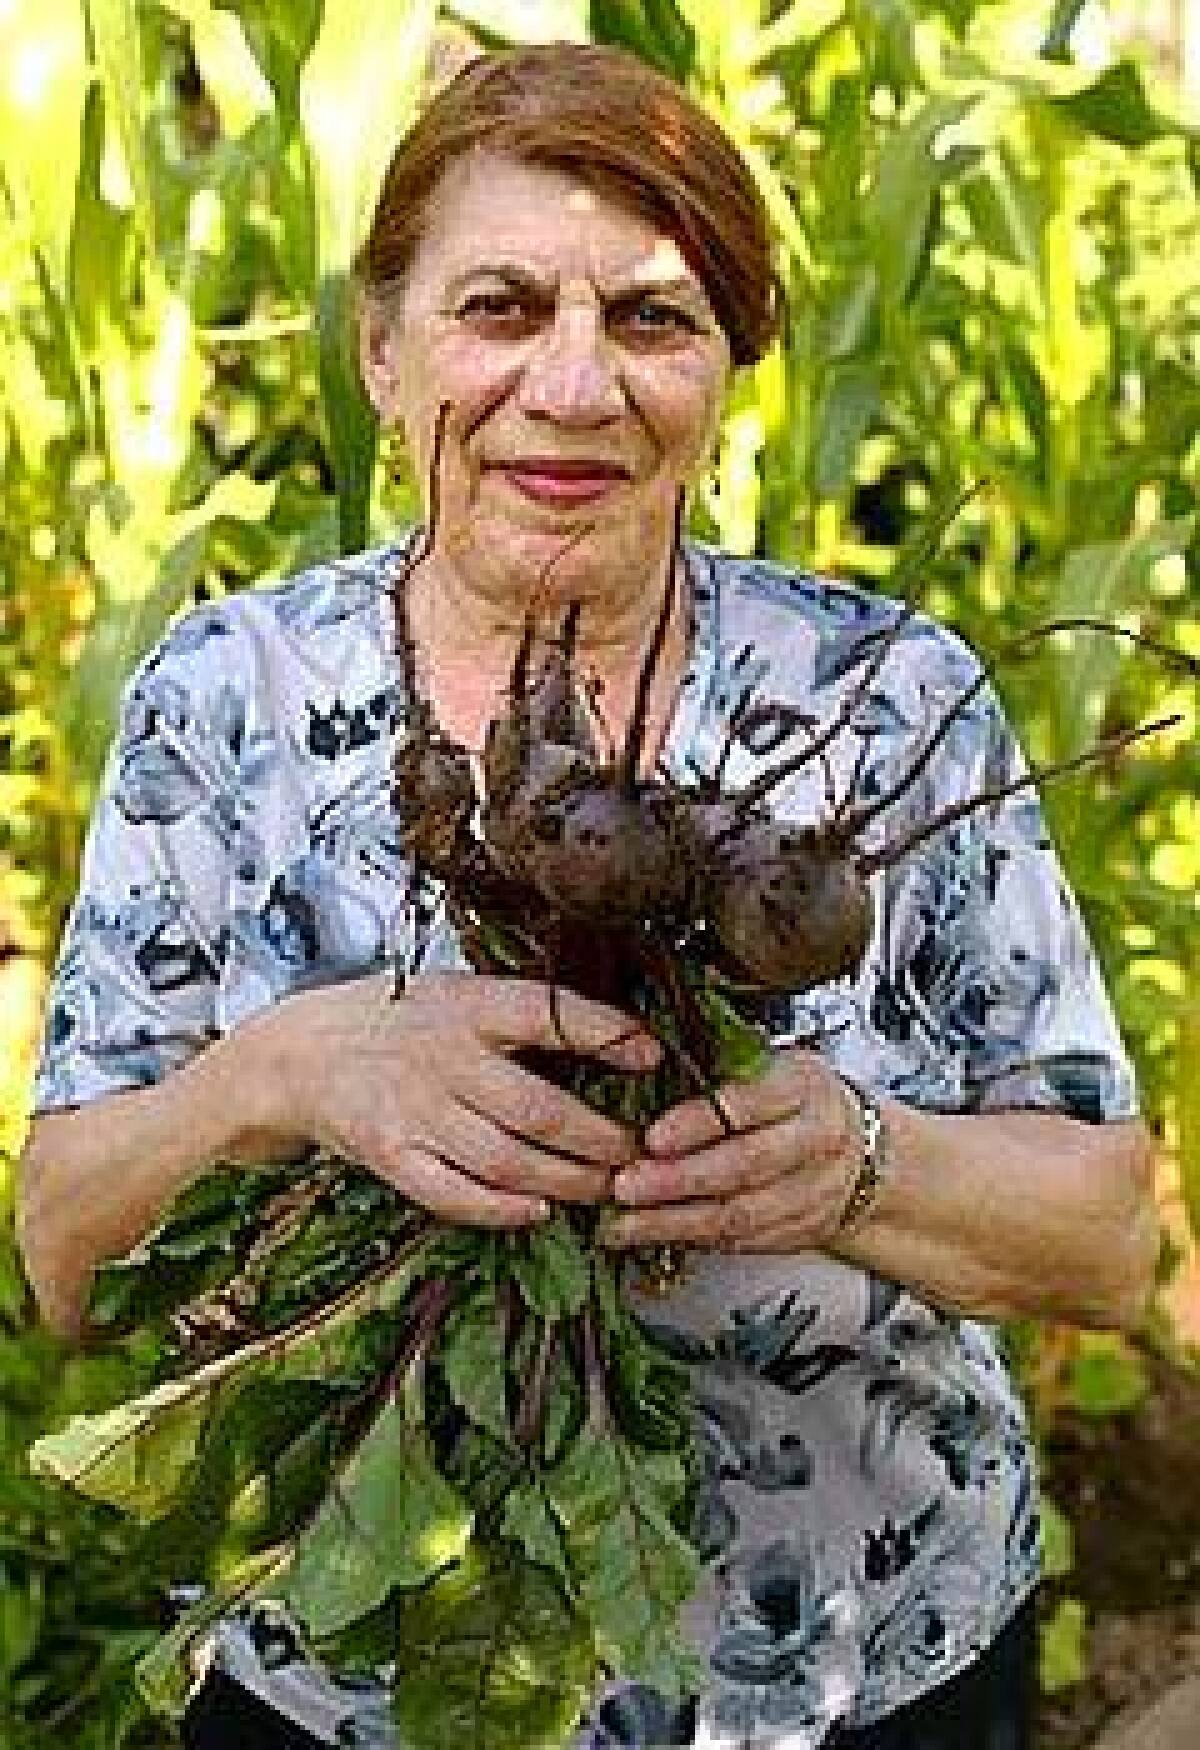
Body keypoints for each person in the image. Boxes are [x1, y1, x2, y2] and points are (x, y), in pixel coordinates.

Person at [17, 41, 1156, 1750]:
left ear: (724, 375)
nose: (574, 386)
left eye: (650, 319)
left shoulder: (893, 692)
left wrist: (857, 1156)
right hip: (361, 1687)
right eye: (499, 308)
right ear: (382, 357)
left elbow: (1113, 1238)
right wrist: (286, 1074)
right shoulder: (226, 696)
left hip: (861, 1670)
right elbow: (65, 1259)